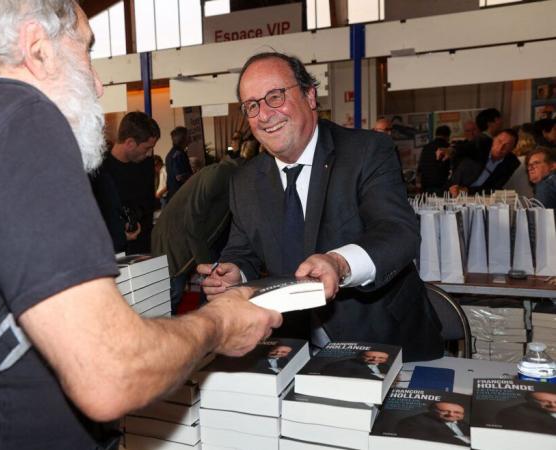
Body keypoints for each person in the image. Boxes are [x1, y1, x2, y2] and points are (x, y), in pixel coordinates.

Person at [0, 2, 282, 449]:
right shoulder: (19, 119)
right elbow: (112, 372)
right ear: (36, 48)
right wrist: (218, 323)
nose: (97, 83)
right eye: (86, 49)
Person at [198, 52, 443, 362]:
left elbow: (397, 232)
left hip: (384, 343)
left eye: (275, 97)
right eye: (252, 106)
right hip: (292, 348)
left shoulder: (366, 151)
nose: (263, 115)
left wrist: (339, 264)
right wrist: (235, 274)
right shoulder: (245, 180)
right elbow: (241, 249)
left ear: (310, 96)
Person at [152, 152, 250, 314]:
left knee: (176, 292)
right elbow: (193, 222)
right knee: (172, 294)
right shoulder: (221, 175)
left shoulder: (228, 177)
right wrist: (207, 265)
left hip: (185, 240)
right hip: (175, 241)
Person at [96, 111, 160, 254]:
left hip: (144, 250)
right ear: (130, 143)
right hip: (113, 253)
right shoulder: (99, 170)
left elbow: (149, 201)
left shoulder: (146, 164)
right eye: (147, 148)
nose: (150, 154)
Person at [448, 128, 519, 197]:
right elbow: (463, 148)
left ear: (512, 149)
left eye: (507, 145)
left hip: (479, 196)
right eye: (499, 141)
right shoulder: (481, 144)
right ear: (494, 139)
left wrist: (468, 190)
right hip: (454, 188)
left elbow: (495, 187)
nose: (500, 147)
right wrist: (451, 150)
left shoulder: (511, 163)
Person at [397, 401, 470, 445]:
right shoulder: (412, 422)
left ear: (463, 414)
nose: (451, 414)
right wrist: (461, 439)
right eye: (444, 411)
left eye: (457, 412)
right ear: (432, 411)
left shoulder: (464, 423)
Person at [417, 125, 451, 195]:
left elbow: (420, 168)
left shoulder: (426, 147)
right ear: (448, 136)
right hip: (441, 186)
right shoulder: (447, 148)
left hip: (426, 185)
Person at [165, 126, 193, 202]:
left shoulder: (170, 154)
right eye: (188, 136)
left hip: (173, 195)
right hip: (180, 196)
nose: (190, 138)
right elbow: (180, 176)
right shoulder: (179, 154)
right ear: (183, 138)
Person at [322, 351, 391, 380]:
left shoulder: (385, 366)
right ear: (362, 356)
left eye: (381, 358)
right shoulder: (343, 365)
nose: (375, 359)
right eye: (369, 356)